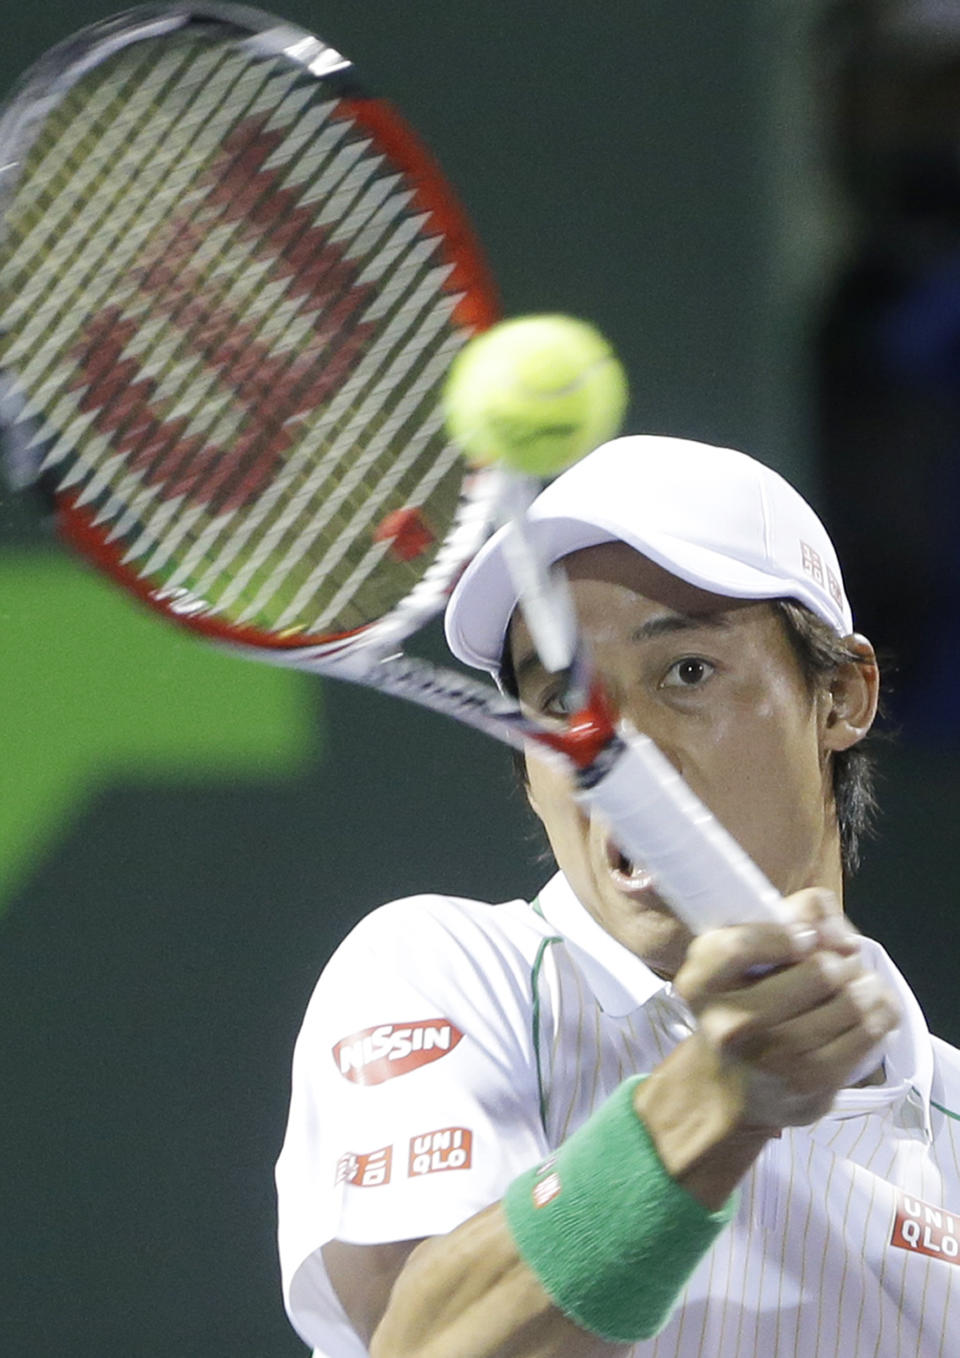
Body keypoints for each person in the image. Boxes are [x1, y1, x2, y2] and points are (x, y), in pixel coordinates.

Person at [275, 435, 960, 1358]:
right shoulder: (438, 971)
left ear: (840, 695)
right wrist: (713, 1101)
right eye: (558, 699)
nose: (613, 749)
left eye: (687, 672)